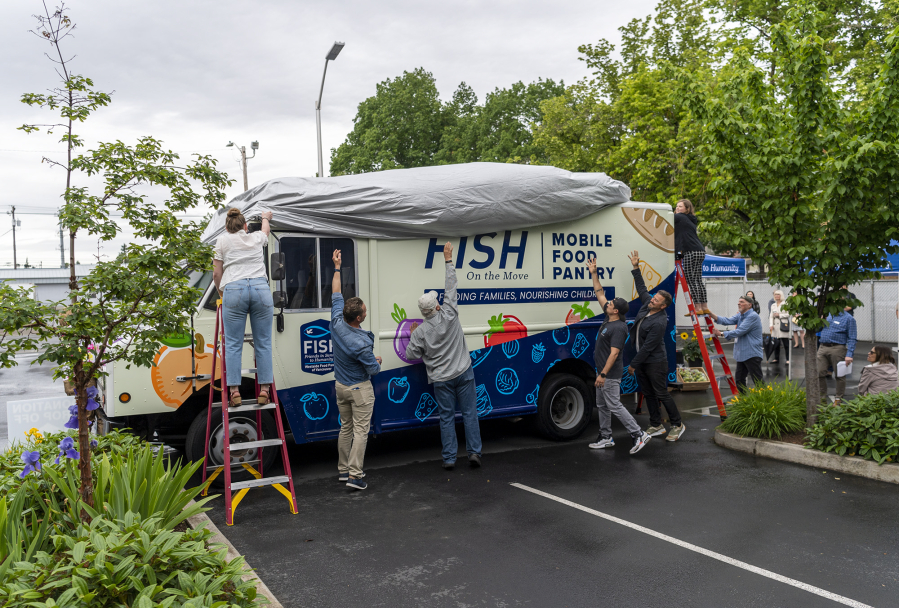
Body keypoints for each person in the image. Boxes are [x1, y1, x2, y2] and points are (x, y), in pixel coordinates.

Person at [407, 242, 483, 470]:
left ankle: (449, 458)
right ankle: (474, 453)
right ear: (437, 306)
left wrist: (413, 336)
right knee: (470, 414)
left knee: (447, 418)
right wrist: (448, 259)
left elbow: (412, 354)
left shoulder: (420, 332)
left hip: (441, 379)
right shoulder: (450, 313)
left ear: (424, 313)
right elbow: (451, 287)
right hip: (463, 372)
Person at [586, 258, 652, 454]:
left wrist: (603, 374)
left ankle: (638, 433)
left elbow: (614, 353)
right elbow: (599, 292)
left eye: (611, 303)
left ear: (615, 311)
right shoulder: (609, 317)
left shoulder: (619, 327)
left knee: (613, 404)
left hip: (609, 374)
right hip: (603, 372)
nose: (607, 302)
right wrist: (594, 272)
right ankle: (606, 437)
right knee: (602, 404)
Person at [330, 249, 381, 491]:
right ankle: (355, 476)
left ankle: (342, 470)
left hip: (340, 386)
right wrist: (375, 360)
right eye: (365, 311)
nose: (366, 312)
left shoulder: (337, 322)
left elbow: (336, 292)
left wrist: (337, 266)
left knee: (346, 428)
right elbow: (374, 370)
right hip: (359, 389)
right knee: (361, 431)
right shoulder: (361, 342)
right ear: (359, 318)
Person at [213, 208, 275, 408]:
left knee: (232, 344)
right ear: (245, 226)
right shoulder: (256, 237)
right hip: (260, 289)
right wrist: (265, 217)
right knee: (263, 342)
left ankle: (234, 391)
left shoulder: (222, 241)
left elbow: (216, 273)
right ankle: (265, 389)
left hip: (234, 288)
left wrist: (223, 293)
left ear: (227, 227)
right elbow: (265, 231)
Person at [624, 250, 686, 441]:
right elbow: (642, 289)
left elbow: (648, 348)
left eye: (656, 300)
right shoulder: (647, 306)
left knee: (661, 393)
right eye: (653, 298)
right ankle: (656, 424)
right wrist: (636, 267)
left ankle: (677, 424)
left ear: (663, 306)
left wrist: (633, 364)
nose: (652, 300)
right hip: (644, 361)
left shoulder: (660, 321)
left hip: (655, 362)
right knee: (648, 392)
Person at [709, 295, 764, 392]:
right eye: (739, 301)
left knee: (758, 380)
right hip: (742, 353)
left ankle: (766, 401)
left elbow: (740, 331)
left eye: (742, 302)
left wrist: (721, 333)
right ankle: (745, 402)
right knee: (739, 380)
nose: (739, 303)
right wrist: (711, 314)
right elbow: (727, 320)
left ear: (749, 305)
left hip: (752, 353)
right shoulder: (740, 315)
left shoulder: (753, 316)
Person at [674, 199, 710, 315]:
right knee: (698, 280)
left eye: (680, 206)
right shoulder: (691, 219)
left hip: (690, 251)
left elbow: (679, 241)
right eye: (677, 206)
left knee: (691, 279)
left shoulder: (679, 217)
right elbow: (683, 238)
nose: (677, 208)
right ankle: (704, 306)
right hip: (700, 250)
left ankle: (697, 308)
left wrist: (677, 255)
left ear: (687, 209)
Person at [817, 302, 858, 406]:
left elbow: (852, 337)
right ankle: (822, 399)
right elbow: (817, 330)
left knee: (840, 375)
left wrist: (849, 354)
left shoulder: (849, 318)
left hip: (838, 348)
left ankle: (838, 399)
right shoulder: (827, 315)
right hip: (822, 347)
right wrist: (820, 321)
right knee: (819, 373)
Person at [768, 290, 791, 365]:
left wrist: (780, 315)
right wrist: (771, 325)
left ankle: (788, 359)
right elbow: (771, 316)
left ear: (781, 295)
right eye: (775, 294)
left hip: (783, 324)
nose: (776, 296)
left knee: (786, 343)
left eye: (778, 294)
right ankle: (776, 358)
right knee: (776, 343)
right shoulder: (773, 305)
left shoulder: (786, 304)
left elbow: (789, 314)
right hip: (775, 326)